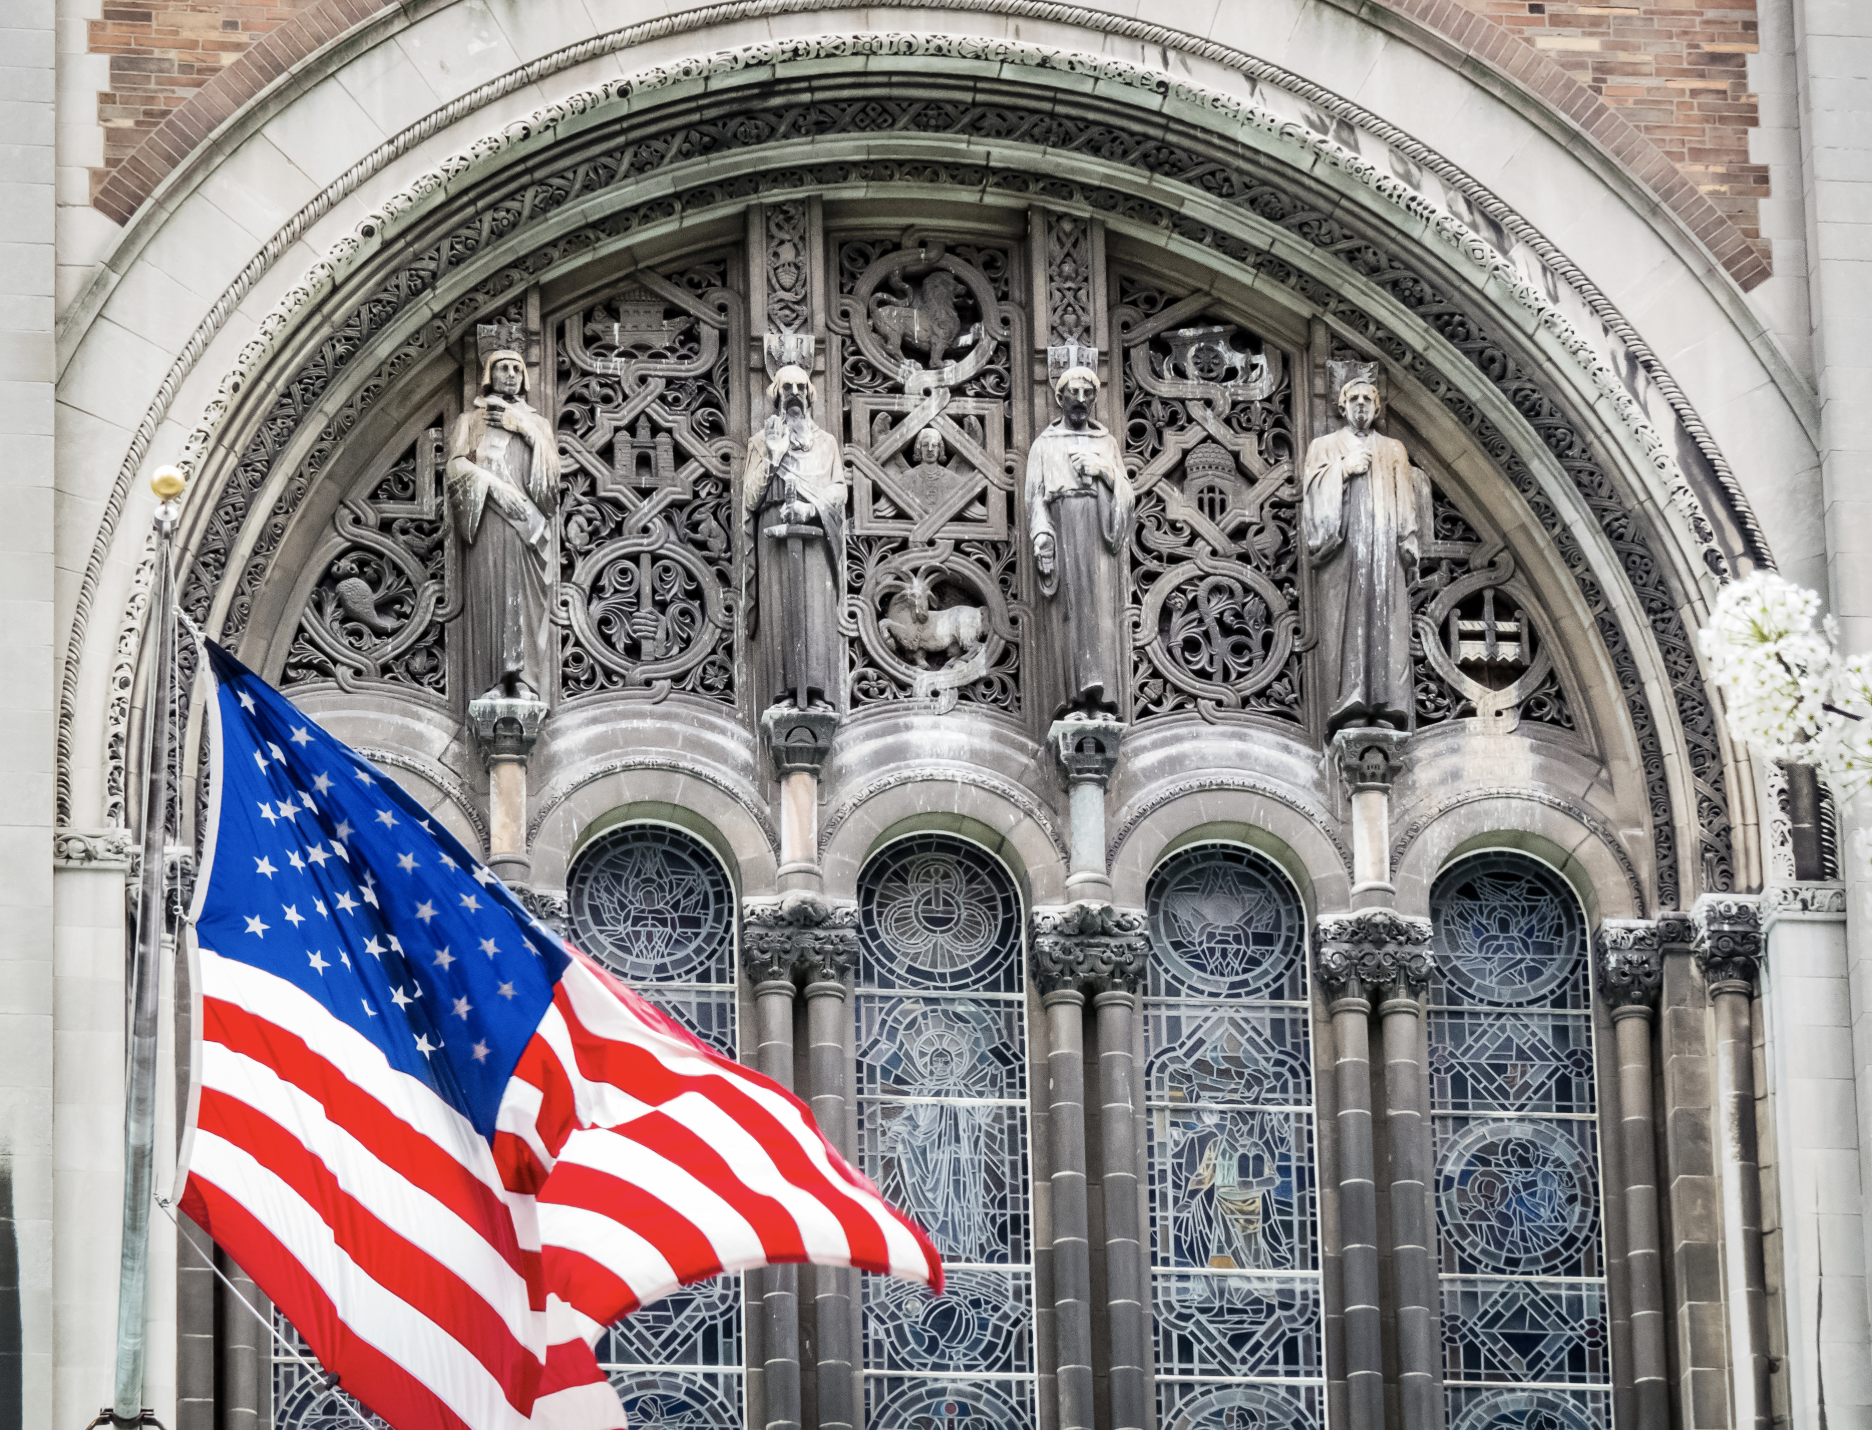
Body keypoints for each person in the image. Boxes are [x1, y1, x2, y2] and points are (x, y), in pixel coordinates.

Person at [1302, 366, 1421, 732]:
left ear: (1377, 406)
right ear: (1342, 406)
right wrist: (1342, 469)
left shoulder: (1393, 449)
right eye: (1353, 399)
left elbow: (1406, 498)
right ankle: (1347, 702)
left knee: (1387, 621)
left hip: (1385, 550)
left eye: (1368, 399)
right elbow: (1312, 494)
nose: (1360, 405)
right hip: (1343, 551)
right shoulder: (1324, 447)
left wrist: (1408, 541)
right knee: (1344, 620)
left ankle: (1389, 704)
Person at [447, 348, 560, 703]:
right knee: (493, 595)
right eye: (503, 368)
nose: (510, 375)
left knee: (525, 601)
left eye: (516, 369)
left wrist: (524, 429)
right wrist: (492, 486)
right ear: (489, 376)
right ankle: (492, 681)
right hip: (490, 520)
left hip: (528, 526)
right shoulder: (471, 421)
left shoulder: (539, 425)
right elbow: (455, 467)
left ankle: (526, 681)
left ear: (524, 378)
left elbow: (551, 483)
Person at [1025, 366, 1134, 721]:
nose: (1081, 400)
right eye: (1074, 392)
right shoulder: (1045, 444)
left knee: (1100, 612)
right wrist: (1042, 534)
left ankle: (1101, 700)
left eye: (1088, 394)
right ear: (1060, 398)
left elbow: (1126, 493)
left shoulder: (1106, 443)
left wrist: (1103, 471)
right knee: (1068, 611)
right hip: (1063, 527)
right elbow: (1035, 497)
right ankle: (1070, 701)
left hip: (1100, 530)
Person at [743, 365, 846, 710]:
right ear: (776, 395)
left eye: (801, 388)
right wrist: (773, 456)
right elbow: (751, 498)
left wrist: (810, 508)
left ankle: (816, 694)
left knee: (816, 609)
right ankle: (782, 693)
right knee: (779, 608)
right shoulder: (760, 443)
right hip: (774, 532)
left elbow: (839, 490)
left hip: (815, 531)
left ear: (810, 395)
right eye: (787, 388)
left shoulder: (827, 444)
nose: (795, 394)